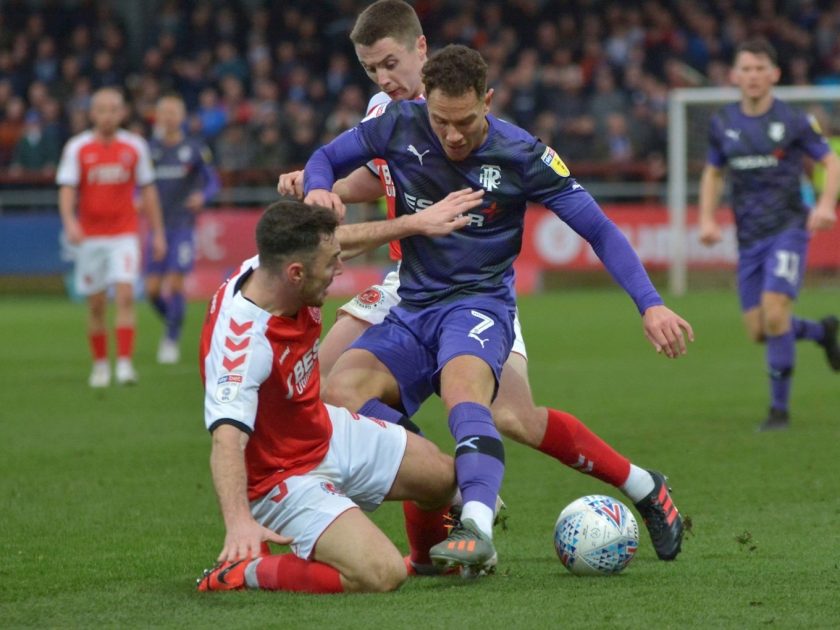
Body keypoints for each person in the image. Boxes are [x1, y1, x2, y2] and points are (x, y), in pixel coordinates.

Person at [280, 0, 689, 571]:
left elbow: (598, 228)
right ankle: (452, 498)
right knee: (336, 388)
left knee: (496, 411)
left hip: (479, 299)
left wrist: (651, 304)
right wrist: (319, 185)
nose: (450, 135)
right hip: (411, 291)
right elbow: (342, 163)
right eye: (371, 68)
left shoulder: (521, 152)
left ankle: (612, 490)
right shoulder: (393, 118)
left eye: (389, 63)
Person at [196, 199, 465, 594]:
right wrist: (239, 525)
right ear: (295, 273)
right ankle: (247, 571)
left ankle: (429, 562)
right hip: (279, 478)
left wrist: (414, 223)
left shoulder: (272, 267)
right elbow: (226, 440)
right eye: (331, 266)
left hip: (320, 428)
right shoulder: (245, 343)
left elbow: (341, 241)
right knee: (380, 573)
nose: (339, 271)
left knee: (442, 476)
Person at [699, 38, 840, 432]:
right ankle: (821, 330)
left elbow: (830, 159)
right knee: (760, 329)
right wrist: (707, 219)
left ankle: (779, 412)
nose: (754, 75)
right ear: (734, 76)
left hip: (788, 229)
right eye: (746, 68)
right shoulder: (722, 123)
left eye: (761, 68)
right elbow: (713, 172)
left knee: (776, 312)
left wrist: (827, 205)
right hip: (749, 238)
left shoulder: (794, 120)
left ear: (774, 74)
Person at [57, 87, 166, 388]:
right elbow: (67, 188)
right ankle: (101, 365)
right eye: (101, 109)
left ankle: (125, 365)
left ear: (122, 113)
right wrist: (69, 221)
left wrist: (157, 233)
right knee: (95, 304)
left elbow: (149, 190)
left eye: (113, 109)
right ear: (92, 113)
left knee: (126, 294)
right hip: (90, 237)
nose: (107, 115)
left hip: (124, 234)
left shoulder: (135, 147)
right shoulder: (77, 147)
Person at [146, 94, 220, 364]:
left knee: (175, 282)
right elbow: (138, 182)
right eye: (163, 112)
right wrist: (134, 197)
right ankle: (173, 321)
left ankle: (171, 338)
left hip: (183, 225)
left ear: (182, 117)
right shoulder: (149, 149)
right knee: (151, 290)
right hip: (156, 226)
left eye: (173, 112)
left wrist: (202, 196)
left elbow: (213, 181)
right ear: (158, 117)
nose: (168, 117)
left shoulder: (194, 148)